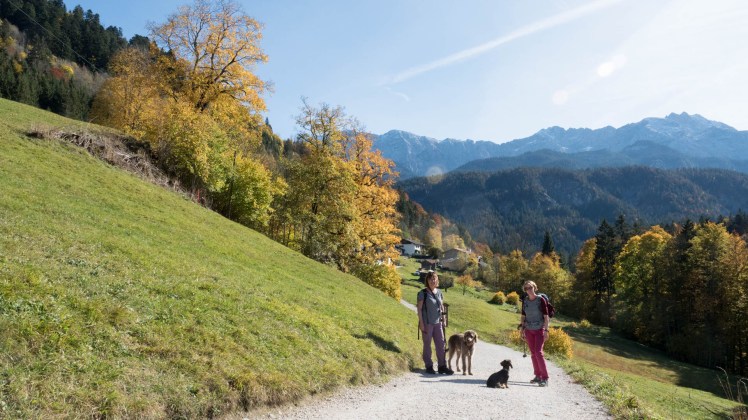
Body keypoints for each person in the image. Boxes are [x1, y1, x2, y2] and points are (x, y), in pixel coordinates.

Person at [417, 271, 454, 375]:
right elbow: (419, 309)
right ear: (427, 281)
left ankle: (442, 366)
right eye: (430, 279)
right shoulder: (423, 293)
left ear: (437, 280)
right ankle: (429, 366)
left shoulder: (439, 292)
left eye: (434, 278)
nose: (432, 281)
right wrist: (421, 323)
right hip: (427, 323)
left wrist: (444, 319)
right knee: (427, 345)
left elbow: (441, 306)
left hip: (438, 323)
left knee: (441, 344)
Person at [519, 280, 550, 386]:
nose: (529, 290)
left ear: (535, 288)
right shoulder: (525, 301)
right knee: (533, 353)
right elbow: (523, 316)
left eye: (530, 287)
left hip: (539, 329)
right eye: (526, 288)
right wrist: (522, 329)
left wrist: (546, 330)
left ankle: (545, 378)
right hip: (528, 330)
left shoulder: (540, 300)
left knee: (538, 353)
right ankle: (538, 376)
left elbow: (546, 317)